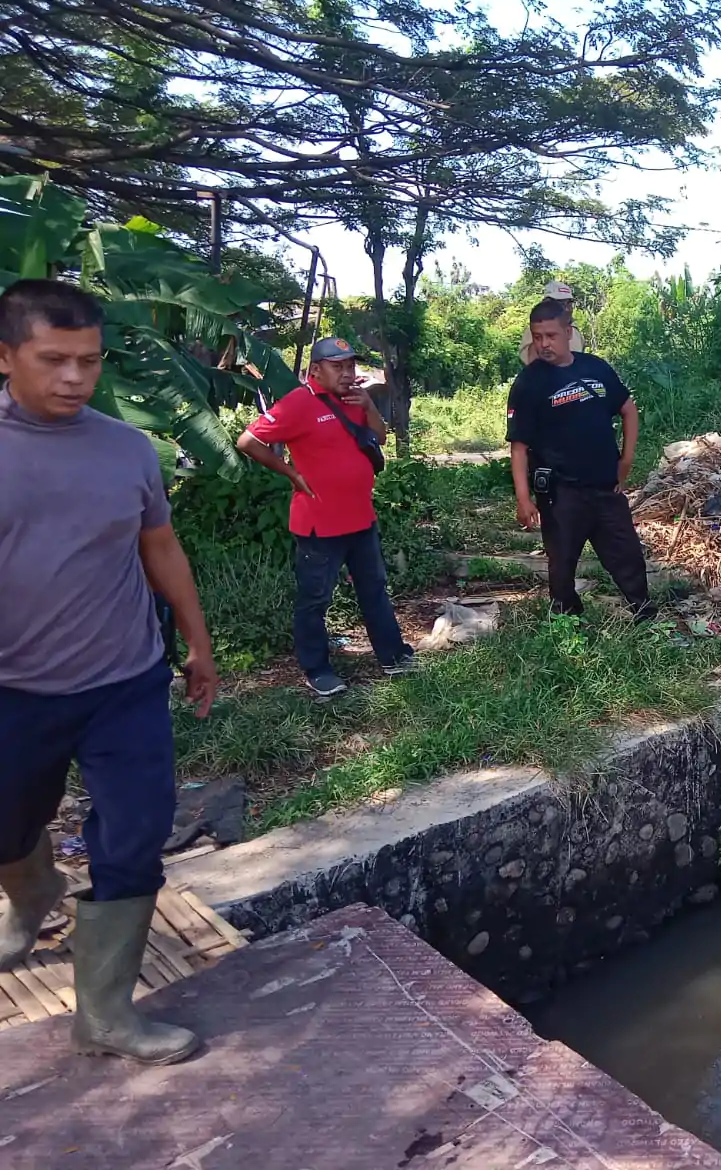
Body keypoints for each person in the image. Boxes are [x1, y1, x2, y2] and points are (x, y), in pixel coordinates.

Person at [0, 279, 217, 1064]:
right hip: (13, 691)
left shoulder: (127, 448)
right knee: (7, 824)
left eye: (87, 362)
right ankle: (31, 899)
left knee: (134, 835)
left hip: (124, 682)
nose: (73, 378)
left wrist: (196, 641)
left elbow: (159, 546)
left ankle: (105, 1015)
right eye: (52, 359)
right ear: (5, 355)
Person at [237, 335, 414, 697]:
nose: (347, 373)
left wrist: (367, 406)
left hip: (361, 518)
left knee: (374, 591)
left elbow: (378, 437)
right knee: (315, 599)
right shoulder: (299, 403)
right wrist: (290, 472)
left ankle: (393, 656)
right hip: (320, 524)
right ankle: (317, 669)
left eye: (350, 365)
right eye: (338, 366)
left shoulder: (355, 399)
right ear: (316, 370)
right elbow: (248, 441)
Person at [506, 298, 654, 619]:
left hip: (605, 485)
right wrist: (523, 498)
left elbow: (628, 409)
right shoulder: (529, 383)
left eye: (551, 335)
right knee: (561, 563)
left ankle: (643, 610)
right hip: (561, 493)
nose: (544, 343)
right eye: (537, 336)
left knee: (625, 552)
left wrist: (626, 460)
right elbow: (518, 446)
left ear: (568, 332)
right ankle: (566, 619)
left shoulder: (595, 367)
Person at [517, 280, 585, 367]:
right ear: (546, 303)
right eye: (561, 303)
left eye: (569, 303)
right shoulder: (533, 331)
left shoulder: (575, 331)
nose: (567, 309)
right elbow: (534, 367)